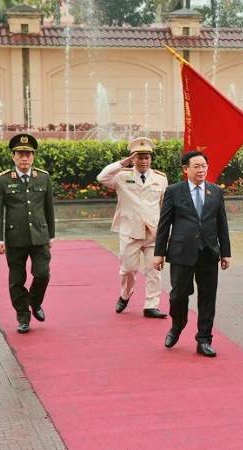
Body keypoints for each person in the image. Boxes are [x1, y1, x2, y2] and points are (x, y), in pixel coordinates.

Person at [153, 151, 231, 358]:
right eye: (196, 166)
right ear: (186, 169)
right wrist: (159, 253)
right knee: (178, 295)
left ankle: (204, 339)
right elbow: (164, 224)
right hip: (181, 252)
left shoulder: (215, 191)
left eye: (204, 166)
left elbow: (222, 223)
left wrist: (226, 252)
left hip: (208, 252)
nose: (201, 170)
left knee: (208, 297)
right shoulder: (174, 191)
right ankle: (178, 325)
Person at [97, 137, 168, 318]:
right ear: (133, 159)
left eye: (146, 158)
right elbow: (102, 177)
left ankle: (151, 305)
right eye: (139, 157)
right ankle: (125, 294)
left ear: (151, 159)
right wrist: (122, 163)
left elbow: (164, 206)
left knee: (154, 270)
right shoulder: (122, 176)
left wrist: (167, 232)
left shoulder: (160, 179)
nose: (143, 161)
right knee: (128, 269)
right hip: (130, 231)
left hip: (153, 231)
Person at [0, 133, 55, 334]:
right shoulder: (3, 180)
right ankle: (23, 317)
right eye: (20, 154)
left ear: (33, 156)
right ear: (13, 157)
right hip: (15, 238)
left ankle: (35, 302)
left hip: (39, 237)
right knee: (17, 280)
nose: (25, 158)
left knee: (42, 274)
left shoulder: (43, 177)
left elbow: (49, 209)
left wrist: (51, 235)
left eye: (28, 154)